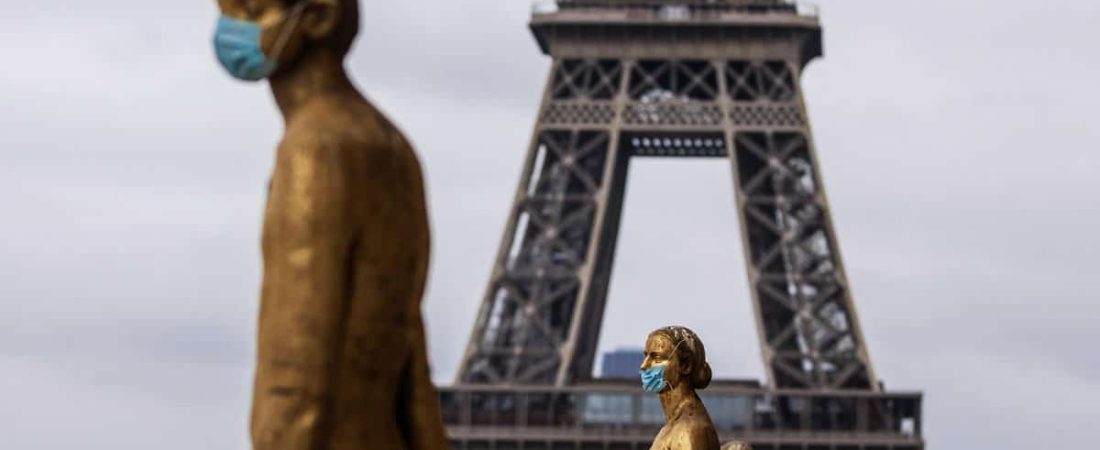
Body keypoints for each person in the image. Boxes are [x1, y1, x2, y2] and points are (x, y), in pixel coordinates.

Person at [211, 1, 447, 448]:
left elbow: (296, 376)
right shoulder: (392, 145)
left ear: (319, 16)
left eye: (249, 8)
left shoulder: (315, 150)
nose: (230, 27)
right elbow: (412, 367)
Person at [640, 326, 721, 450]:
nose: (644, 366)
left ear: (685, 365)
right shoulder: (671, 426)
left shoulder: (691, 429)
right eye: (645, 356)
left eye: (656, 358)